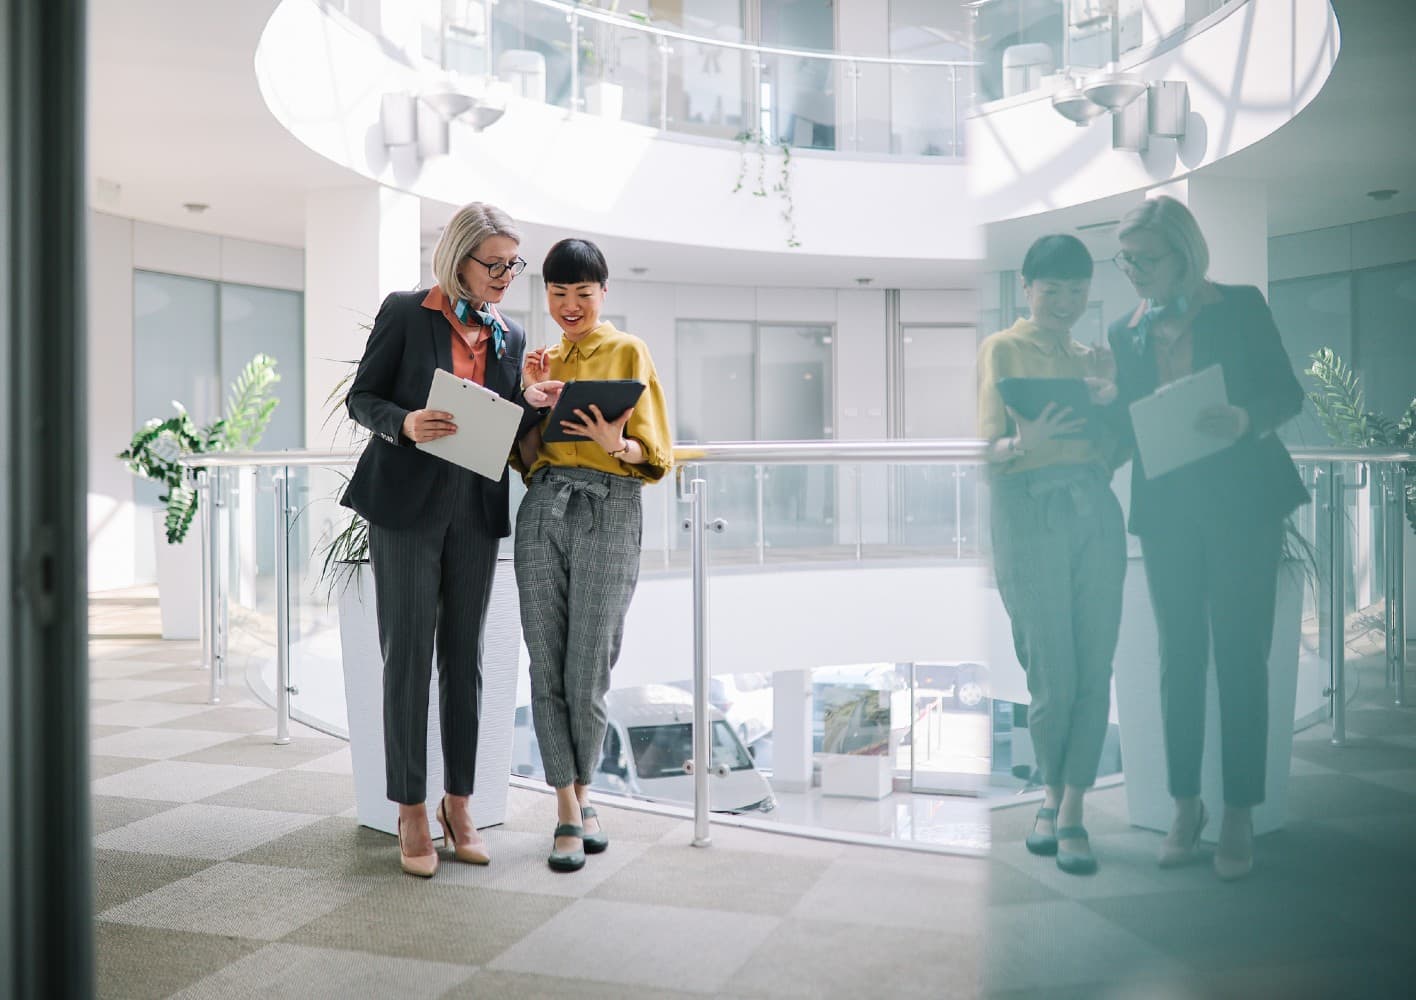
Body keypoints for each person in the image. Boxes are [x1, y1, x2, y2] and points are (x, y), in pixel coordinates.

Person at [342, 202, 557, 878]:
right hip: (404, 507)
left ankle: (457, 803)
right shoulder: (408, 313)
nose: (505, 276)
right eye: (494, 264)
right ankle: (409, 807)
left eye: (512, 265)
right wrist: (405, 424)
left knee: (464, 661)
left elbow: (501, 421)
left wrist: (535, 402)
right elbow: (363, 397)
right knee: (405, 658)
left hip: (473, 507)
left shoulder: (510, 335)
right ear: (457, 259)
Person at [1107, 195, 1307, 880]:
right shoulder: (1124, 332)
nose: (1133, 271)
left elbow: (1287, 393)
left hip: (1243, 506)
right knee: (1179, 659)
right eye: (1124, 259)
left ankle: (1239, 813)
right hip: (1168, 512)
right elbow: (1125, 426)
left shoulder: (1241, 306)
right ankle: (1186, 805)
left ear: (1184, 254)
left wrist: (1246, 417)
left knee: (1241, 658)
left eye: (1145, 259)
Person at [514, 238, 672, 873]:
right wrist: (527, 403)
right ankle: (568, 808)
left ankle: (585, 793)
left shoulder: (628, 350)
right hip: (544, 506)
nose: (570, 304)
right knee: (545, 662)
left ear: (604, 292)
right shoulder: (542, 361)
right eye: (558, 293)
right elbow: (525, 460)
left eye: (583, 292)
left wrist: (617, 443)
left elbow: (655, 453)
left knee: (590, 666)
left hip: (610, 506)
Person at [977, 233, 1126, 876]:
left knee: (1095, 670)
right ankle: (1051, 796)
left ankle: (1069, 811)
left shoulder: (1095, 360)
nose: (1064, 301)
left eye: (1076, 289)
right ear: (1026, 289)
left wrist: (1112, 406)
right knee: (1051, 673)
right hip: (1028, 514)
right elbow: (985, 452)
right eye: (1052, 288)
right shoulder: (1003, 348)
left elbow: (1118, 453)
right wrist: (1022, 440)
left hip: (1096, 512)